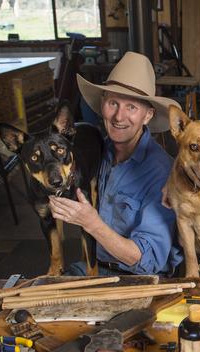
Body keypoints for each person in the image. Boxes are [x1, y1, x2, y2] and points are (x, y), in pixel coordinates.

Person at [49, 51, 183, 276]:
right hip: (92, 267)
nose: (119, 117)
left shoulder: (161, 173)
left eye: (132, 107)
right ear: (102, 104)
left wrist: (92, 223)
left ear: (148, 115)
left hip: (138, 279)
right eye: (113, 103)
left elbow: (147, 261)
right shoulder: (99, 151)